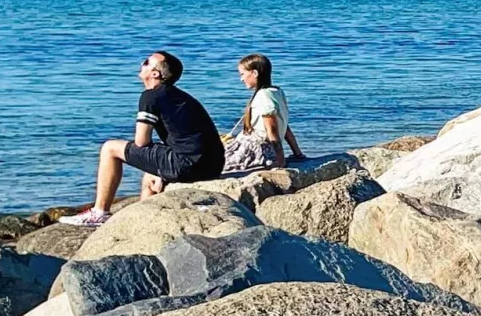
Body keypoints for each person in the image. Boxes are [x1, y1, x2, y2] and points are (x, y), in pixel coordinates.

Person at [61, 51, 225, 227]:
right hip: (211, 166)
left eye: (146, 62)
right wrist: (154, 168)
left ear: (155, 74)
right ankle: (143, 222)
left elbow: (141, 142)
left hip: (187, 165)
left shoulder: (151, 96)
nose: (141, 64)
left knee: (110, 148)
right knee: (150, 177)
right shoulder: (179, 96)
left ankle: (100, 212)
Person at [222, 53, 305, 172]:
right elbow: (285, 127)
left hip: (256, 149)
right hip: (260, 146)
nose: (241, 79)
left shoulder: (263, 96)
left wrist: (280, 160)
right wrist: (298, 153)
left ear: (254, 73)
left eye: (243, 74)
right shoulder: (277, 92)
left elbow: (272, 129)